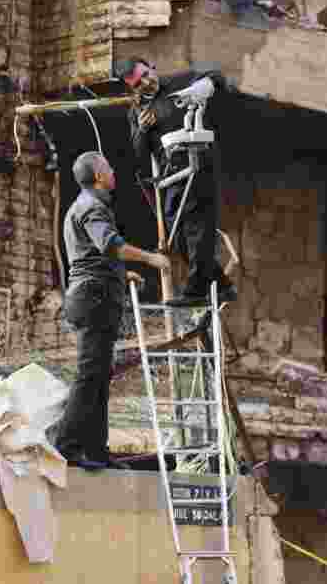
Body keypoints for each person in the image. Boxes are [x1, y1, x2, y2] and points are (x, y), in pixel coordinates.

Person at [54, 151, 171, 471]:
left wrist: (121, 273)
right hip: (93, 298)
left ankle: (96, 449)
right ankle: (66, 446)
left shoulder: (84, 205)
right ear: (97, 176)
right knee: (90, 375)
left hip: (92, 293)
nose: (113, 170)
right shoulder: (92, 207)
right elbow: (110, 245)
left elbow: (93, 255)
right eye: (107, 167)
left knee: (99, 376)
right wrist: (150, 259)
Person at [114, 57, 237, 307]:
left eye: (147, 74)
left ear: (152, 67)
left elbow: (218, 77)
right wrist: (141, 130)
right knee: (177, 237)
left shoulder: (180, 81)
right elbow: (139, 156)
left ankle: (196, 290)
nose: (147, 82)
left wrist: (205, 85)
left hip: (198, 162)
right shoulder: (137, 111)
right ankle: (222, 286)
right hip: (171, 175)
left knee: (196, 229)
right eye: (139, 84)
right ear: (132, 88)